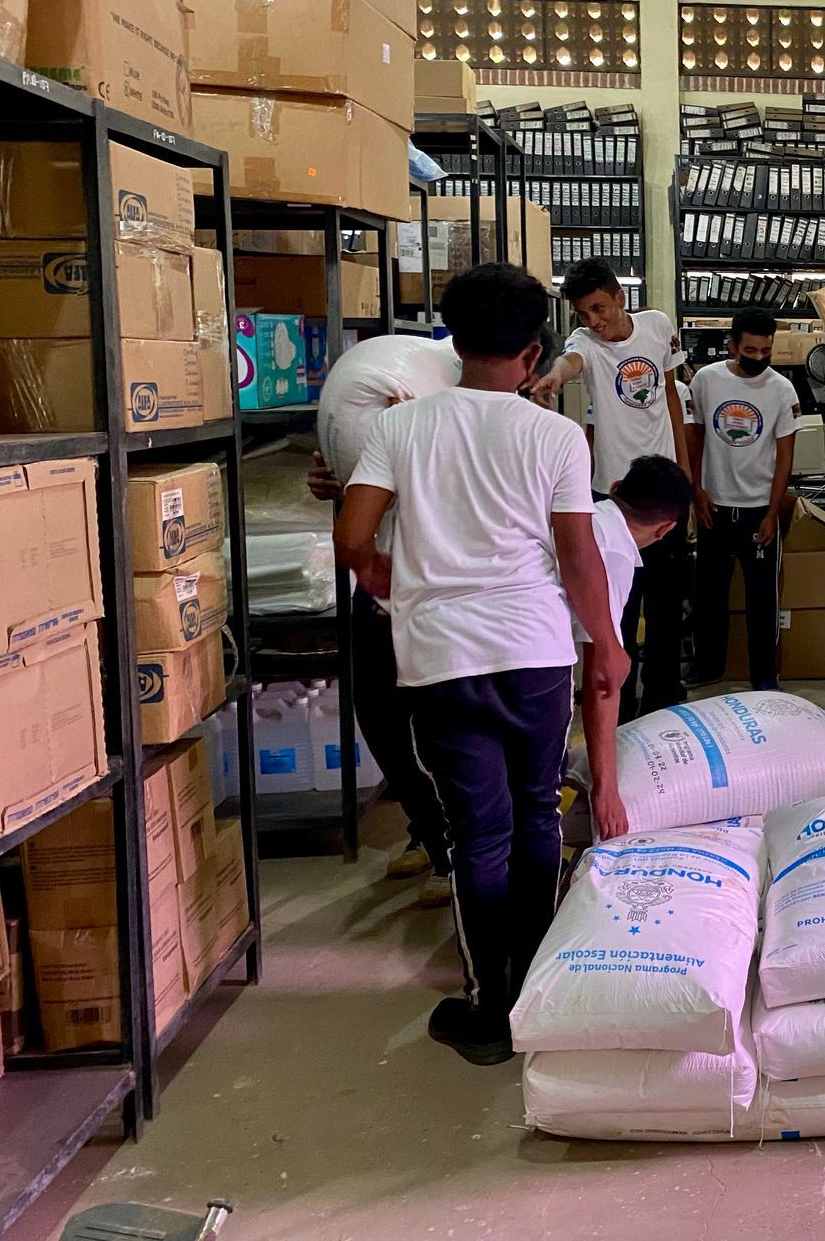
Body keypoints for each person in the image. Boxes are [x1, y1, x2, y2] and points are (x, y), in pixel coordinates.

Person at [334, 264, 624, 1066]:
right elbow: (577, 554)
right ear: (533, 354)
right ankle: (538, 990)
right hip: (534, 652)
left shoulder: (401, 428)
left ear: (452, 342)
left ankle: (488, 1007)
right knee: (536, 814)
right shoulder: (556, 435)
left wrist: (395, 585)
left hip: (441, 660)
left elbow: (354, 538)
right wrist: (605, 640)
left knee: (475, 835)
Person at [306, 324, 563, 905]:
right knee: (380, 717)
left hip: (452, 594)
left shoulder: (518, 426)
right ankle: (431, 831)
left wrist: (404, 455)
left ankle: (462, 853)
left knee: (459, 740)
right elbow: (358, 515)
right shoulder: (418, 398)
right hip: (384, 577)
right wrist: (350, 482)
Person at [532, 258, 690, 717]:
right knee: (618, 611)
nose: (593, 321)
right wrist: (554, 378)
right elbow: (569, 362)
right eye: (583, 313)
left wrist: (684, 471)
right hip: (615, 498)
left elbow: (671, 397)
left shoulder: (658, 326)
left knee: (666, 608)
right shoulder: (585, 343)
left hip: (663, 491)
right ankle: (619, 705)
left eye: (599, 308)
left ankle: (664, 700)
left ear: (621, 297)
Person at [573, 455, 695, 840]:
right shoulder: (613, 551)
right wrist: (605, 790)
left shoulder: (580, 515)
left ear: (614, 489)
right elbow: (602, 680)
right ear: (666, 529)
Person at [686, 309, 800, 690]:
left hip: (758, 511)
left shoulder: (782, 390)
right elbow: (695, 438)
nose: (758, 357)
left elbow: (785, 455)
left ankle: (764, 678)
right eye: (749, 349)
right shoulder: (707, 381)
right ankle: (707, 668)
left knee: (763, 601)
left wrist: (772, 512)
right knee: (708, 595)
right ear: (732, 345)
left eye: (765, 351)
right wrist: (696, 492)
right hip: (713, 507)